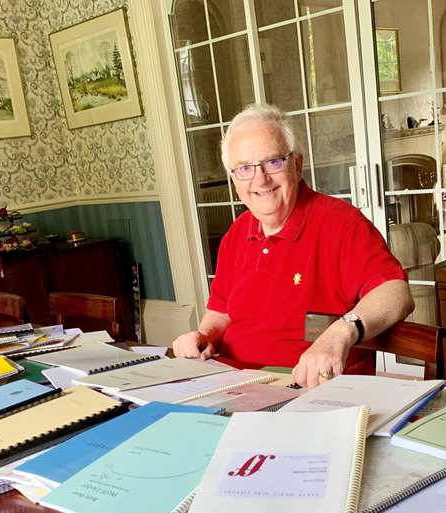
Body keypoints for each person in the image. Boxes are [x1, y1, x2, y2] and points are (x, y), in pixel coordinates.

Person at [172, 103, 414, 387]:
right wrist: (203, 336)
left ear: (296, 164)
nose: (260, 179)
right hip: (231, 385)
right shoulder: (236, 234)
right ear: (234, 178)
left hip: (308, 389)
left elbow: (396, 293)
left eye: (273, 162)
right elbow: (222, 310)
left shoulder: (340, 223)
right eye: (245, 168)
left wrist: (340, 333)